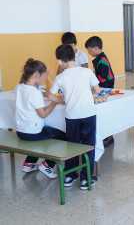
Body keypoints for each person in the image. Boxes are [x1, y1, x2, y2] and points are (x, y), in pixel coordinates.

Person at [50, 45, 101, 190]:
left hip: (72, 116)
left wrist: (64, 99)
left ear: (60, 61)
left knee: (71, 145)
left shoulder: (60, 77)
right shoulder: (87, 71)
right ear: (74, 56)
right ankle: (87, 179)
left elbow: (52, 96)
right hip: (89, 114)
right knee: (89, 145)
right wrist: (90, 97)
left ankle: (69, 176)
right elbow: (97, 90)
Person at [15, 59, 64, 179]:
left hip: (20, 131)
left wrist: (44, 94)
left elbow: (33, 94)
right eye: (45, 75)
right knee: (62, 136)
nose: (46, 77)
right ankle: (47, 165)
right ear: (36, 75)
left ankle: (29, 164)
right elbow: (43, 114)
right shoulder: (34, 93)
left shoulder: (20, 87)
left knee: (47, 130)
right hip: (32, 133)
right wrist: (54, 103)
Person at [85, 36, 115, 146]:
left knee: (104, 111)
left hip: (105, 87)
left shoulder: (101, 60)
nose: (88, 52)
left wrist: (94, 84)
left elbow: (102, 77)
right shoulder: (99, 58)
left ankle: (108, 136)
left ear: (96, 48)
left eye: (89, 50)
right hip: (103, 87)